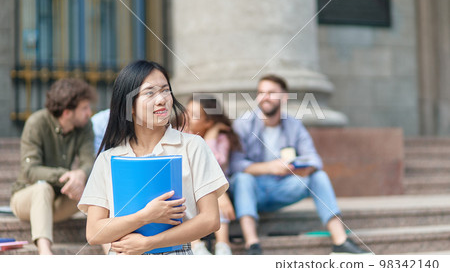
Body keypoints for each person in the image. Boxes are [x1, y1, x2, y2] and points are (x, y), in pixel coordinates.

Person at [78, 60, 228, 255]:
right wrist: (145, 216)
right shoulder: (108, 158)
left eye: (165, 90)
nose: (161, 99)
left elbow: (210, 220)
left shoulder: (193, 146)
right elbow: (94, 232)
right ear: (129, 106)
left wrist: (150, 243)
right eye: (150, 93)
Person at [229, 74, 370, 255]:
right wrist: (270, 167)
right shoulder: (243, 124)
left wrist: (298, 167)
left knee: (319, 176)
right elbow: (234, 165)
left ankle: (340, 241)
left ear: (284, 97)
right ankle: (252, 244)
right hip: (251, 191)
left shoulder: (293, 125)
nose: (264, 97)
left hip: (282, 188)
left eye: (271, 92)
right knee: (242, 179)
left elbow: (313, 159)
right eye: (261, 92)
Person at [10, 78, 96, 255]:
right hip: (26, 197)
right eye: (84, 108)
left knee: (94, 191)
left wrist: (80, 174)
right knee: (43, 189)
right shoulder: (37, 123)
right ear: (67, 112)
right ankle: (45, 254)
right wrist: (66, 175)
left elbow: (89, 161)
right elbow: (30, 170)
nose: (89, 112)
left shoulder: (85, 126)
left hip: (60, 200)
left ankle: (111, 248)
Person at [185, 95, 240, 255]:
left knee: (214, 195)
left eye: (193, 114)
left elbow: (213, 164)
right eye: (186, 111)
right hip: (190, 189)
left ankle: (223, 245)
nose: (187, 117)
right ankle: (196, 246)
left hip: (215, 188)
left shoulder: (221, 139)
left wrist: (211, 137)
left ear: (208, 122)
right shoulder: (181, 136)